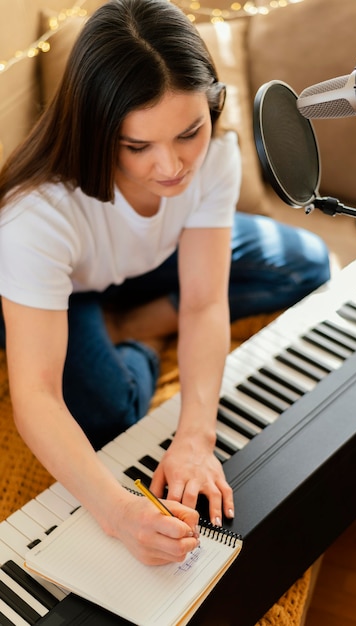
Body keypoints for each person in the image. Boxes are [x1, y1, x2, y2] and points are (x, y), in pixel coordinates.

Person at [0, 0, 330, 565]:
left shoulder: (215, 153)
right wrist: (118, 512)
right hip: (69, 290)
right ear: (98, 131)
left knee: (306, 264)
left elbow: (205, 301)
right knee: (108, 412)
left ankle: (135, 323)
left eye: (188, 133)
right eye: (138, 146)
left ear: (211, 106)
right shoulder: (34, 218)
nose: (173, 165)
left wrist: (196, 438)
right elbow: (36, 399)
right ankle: (126, 332)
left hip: (149, 262)